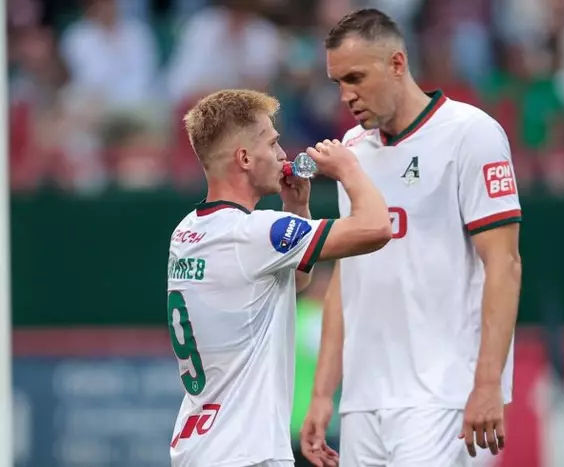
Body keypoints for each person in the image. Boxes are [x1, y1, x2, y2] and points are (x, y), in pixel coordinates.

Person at [300, 9, 522, 467]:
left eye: (356, 78)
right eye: (338, 82)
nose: (345, 95)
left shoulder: (470, 134)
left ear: (397, 63)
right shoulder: (352, 152)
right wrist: (322, 393)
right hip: (364, 400)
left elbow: (504, 263)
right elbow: (346, 276)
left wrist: (487, 384)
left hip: (442, 394)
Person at [167, 89, 392, 467]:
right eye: (272, 144)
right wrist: (348, 169)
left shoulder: (187, 231)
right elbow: (377, 227)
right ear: (244, 158)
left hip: (201, 445)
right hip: (245, 452)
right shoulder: (254, 233)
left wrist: (296, 207)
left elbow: (289, 286)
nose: (283, 154)